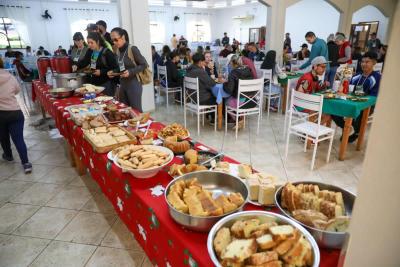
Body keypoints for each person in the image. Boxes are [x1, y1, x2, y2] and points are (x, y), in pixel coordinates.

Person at [331, 52, 381, 143]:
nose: (363, 64)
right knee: (333, 108)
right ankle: (348, 127)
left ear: (374, 63)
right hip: (352, 101)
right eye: (362, 62)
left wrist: (359, 99)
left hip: (367, 105)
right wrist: (342, 86)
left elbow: (374, 97)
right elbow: (348, 90)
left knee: (357, 112)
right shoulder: (356, 76)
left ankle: (356, 131)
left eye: (367, 62)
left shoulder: (377, 78)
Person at [0, 60, 32, 173]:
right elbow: (17, 90)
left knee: (3, 137)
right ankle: (26, 163)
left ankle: (8, 156)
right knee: (18, 139)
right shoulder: (9, 76)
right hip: (15, 112)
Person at [109, 27, 148, 112]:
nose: (114, 42)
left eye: (116, 39)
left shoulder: (132, 49)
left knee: (136, 111)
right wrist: (114, 72)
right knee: (124, 110)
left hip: (134, 84)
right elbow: (121, 68)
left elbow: (144, 64)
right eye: (112, 40)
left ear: (123, 37)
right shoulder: (118, 51)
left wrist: (130, 72)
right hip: (123, 84)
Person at [73, 32, 118, 96]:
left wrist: (102, 72)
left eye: (91, 43)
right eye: (88, 43)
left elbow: (115, 68)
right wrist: (76, 65)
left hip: (106, 84)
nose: (89, 45)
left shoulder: (106, 53)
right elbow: (84, 62)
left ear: (98, 42)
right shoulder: (90, 51)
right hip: (94, 84)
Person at [223, 54, 254, 129]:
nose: (230, 64)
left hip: (241, 102)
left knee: (226, 100)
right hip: (251, 100)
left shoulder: (233, 73)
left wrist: (224, 84)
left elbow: (229, 91)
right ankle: (240, 118)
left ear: (233, 63)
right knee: (236, 97)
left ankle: (237, 119)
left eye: (230, 63)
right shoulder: (248, 70)